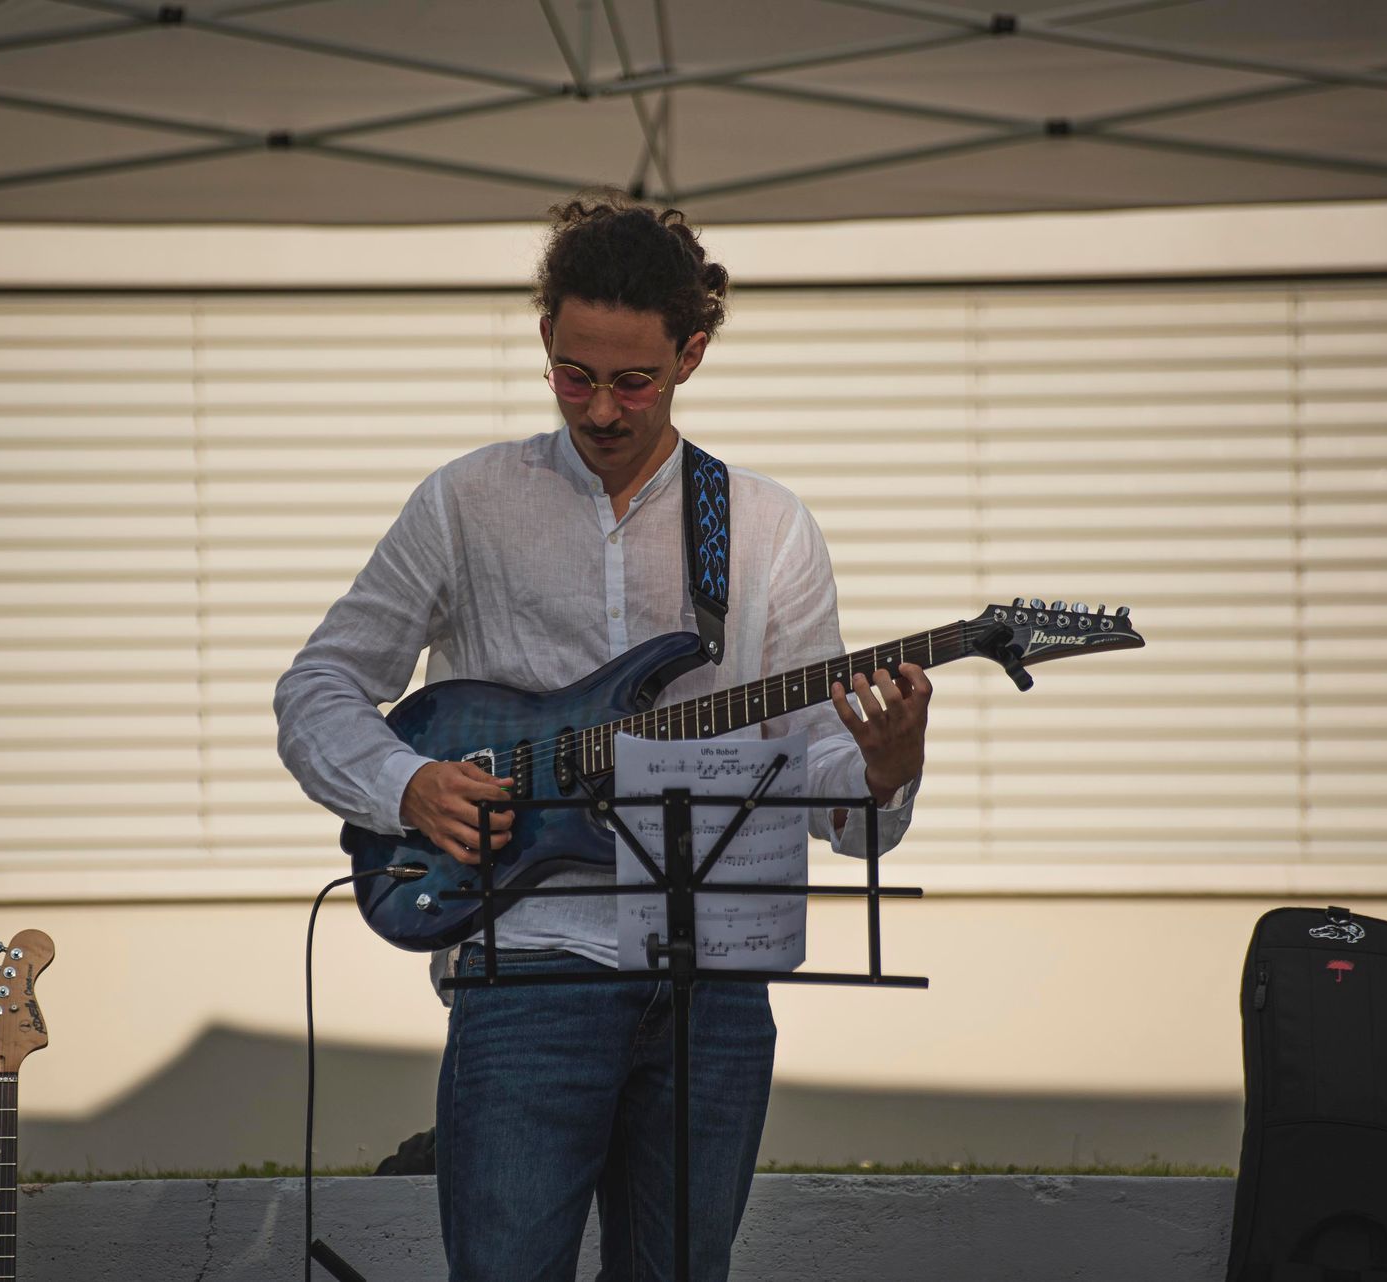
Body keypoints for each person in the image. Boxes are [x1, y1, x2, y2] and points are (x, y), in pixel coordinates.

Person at [274, 189, 929, 1282]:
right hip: (529, 966)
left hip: (716, 979)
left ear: (691, 355)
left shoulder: (766, 527)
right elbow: (319, 685)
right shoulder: (466, 503)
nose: (603, 408)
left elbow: (820, 771)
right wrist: (406, 785)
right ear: (545, 339)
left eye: (634, 380)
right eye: (574, 375)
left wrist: (883, 769)